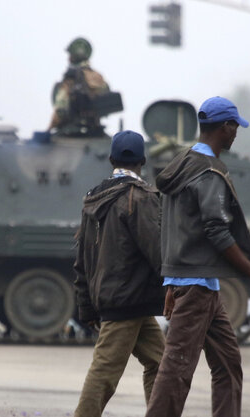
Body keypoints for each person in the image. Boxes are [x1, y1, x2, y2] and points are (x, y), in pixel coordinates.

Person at [145, 97, 250, 417]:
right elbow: (217, 232)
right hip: (196, 286)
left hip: (199, 282)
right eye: (234, 126)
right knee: (177, 369)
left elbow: (171, 226)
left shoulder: (182, 163)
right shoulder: (208, 172)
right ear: (224, 127)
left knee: (228, 364)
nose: (236, 133)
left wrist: (171, 279)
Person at [72, 130, 165, 417]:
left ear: (111, 159)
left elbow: (83, 257)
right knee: (105, 373)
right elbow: (159, 252)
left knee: (161, 363)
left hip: (119, 299)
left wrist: (86, 305)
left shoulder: (93, 198)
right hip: (128, 300)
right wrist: (180, 286)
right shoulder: (140, 197)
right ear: (144, 160)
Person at [49, 37, 110, 137]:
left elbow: (61, 109)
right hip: (96, 132)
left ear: (74, 56)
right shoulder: (98, 77)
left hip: (70, 133)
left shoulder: (70, 80)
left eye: (70, 55)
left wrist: (50, 128)